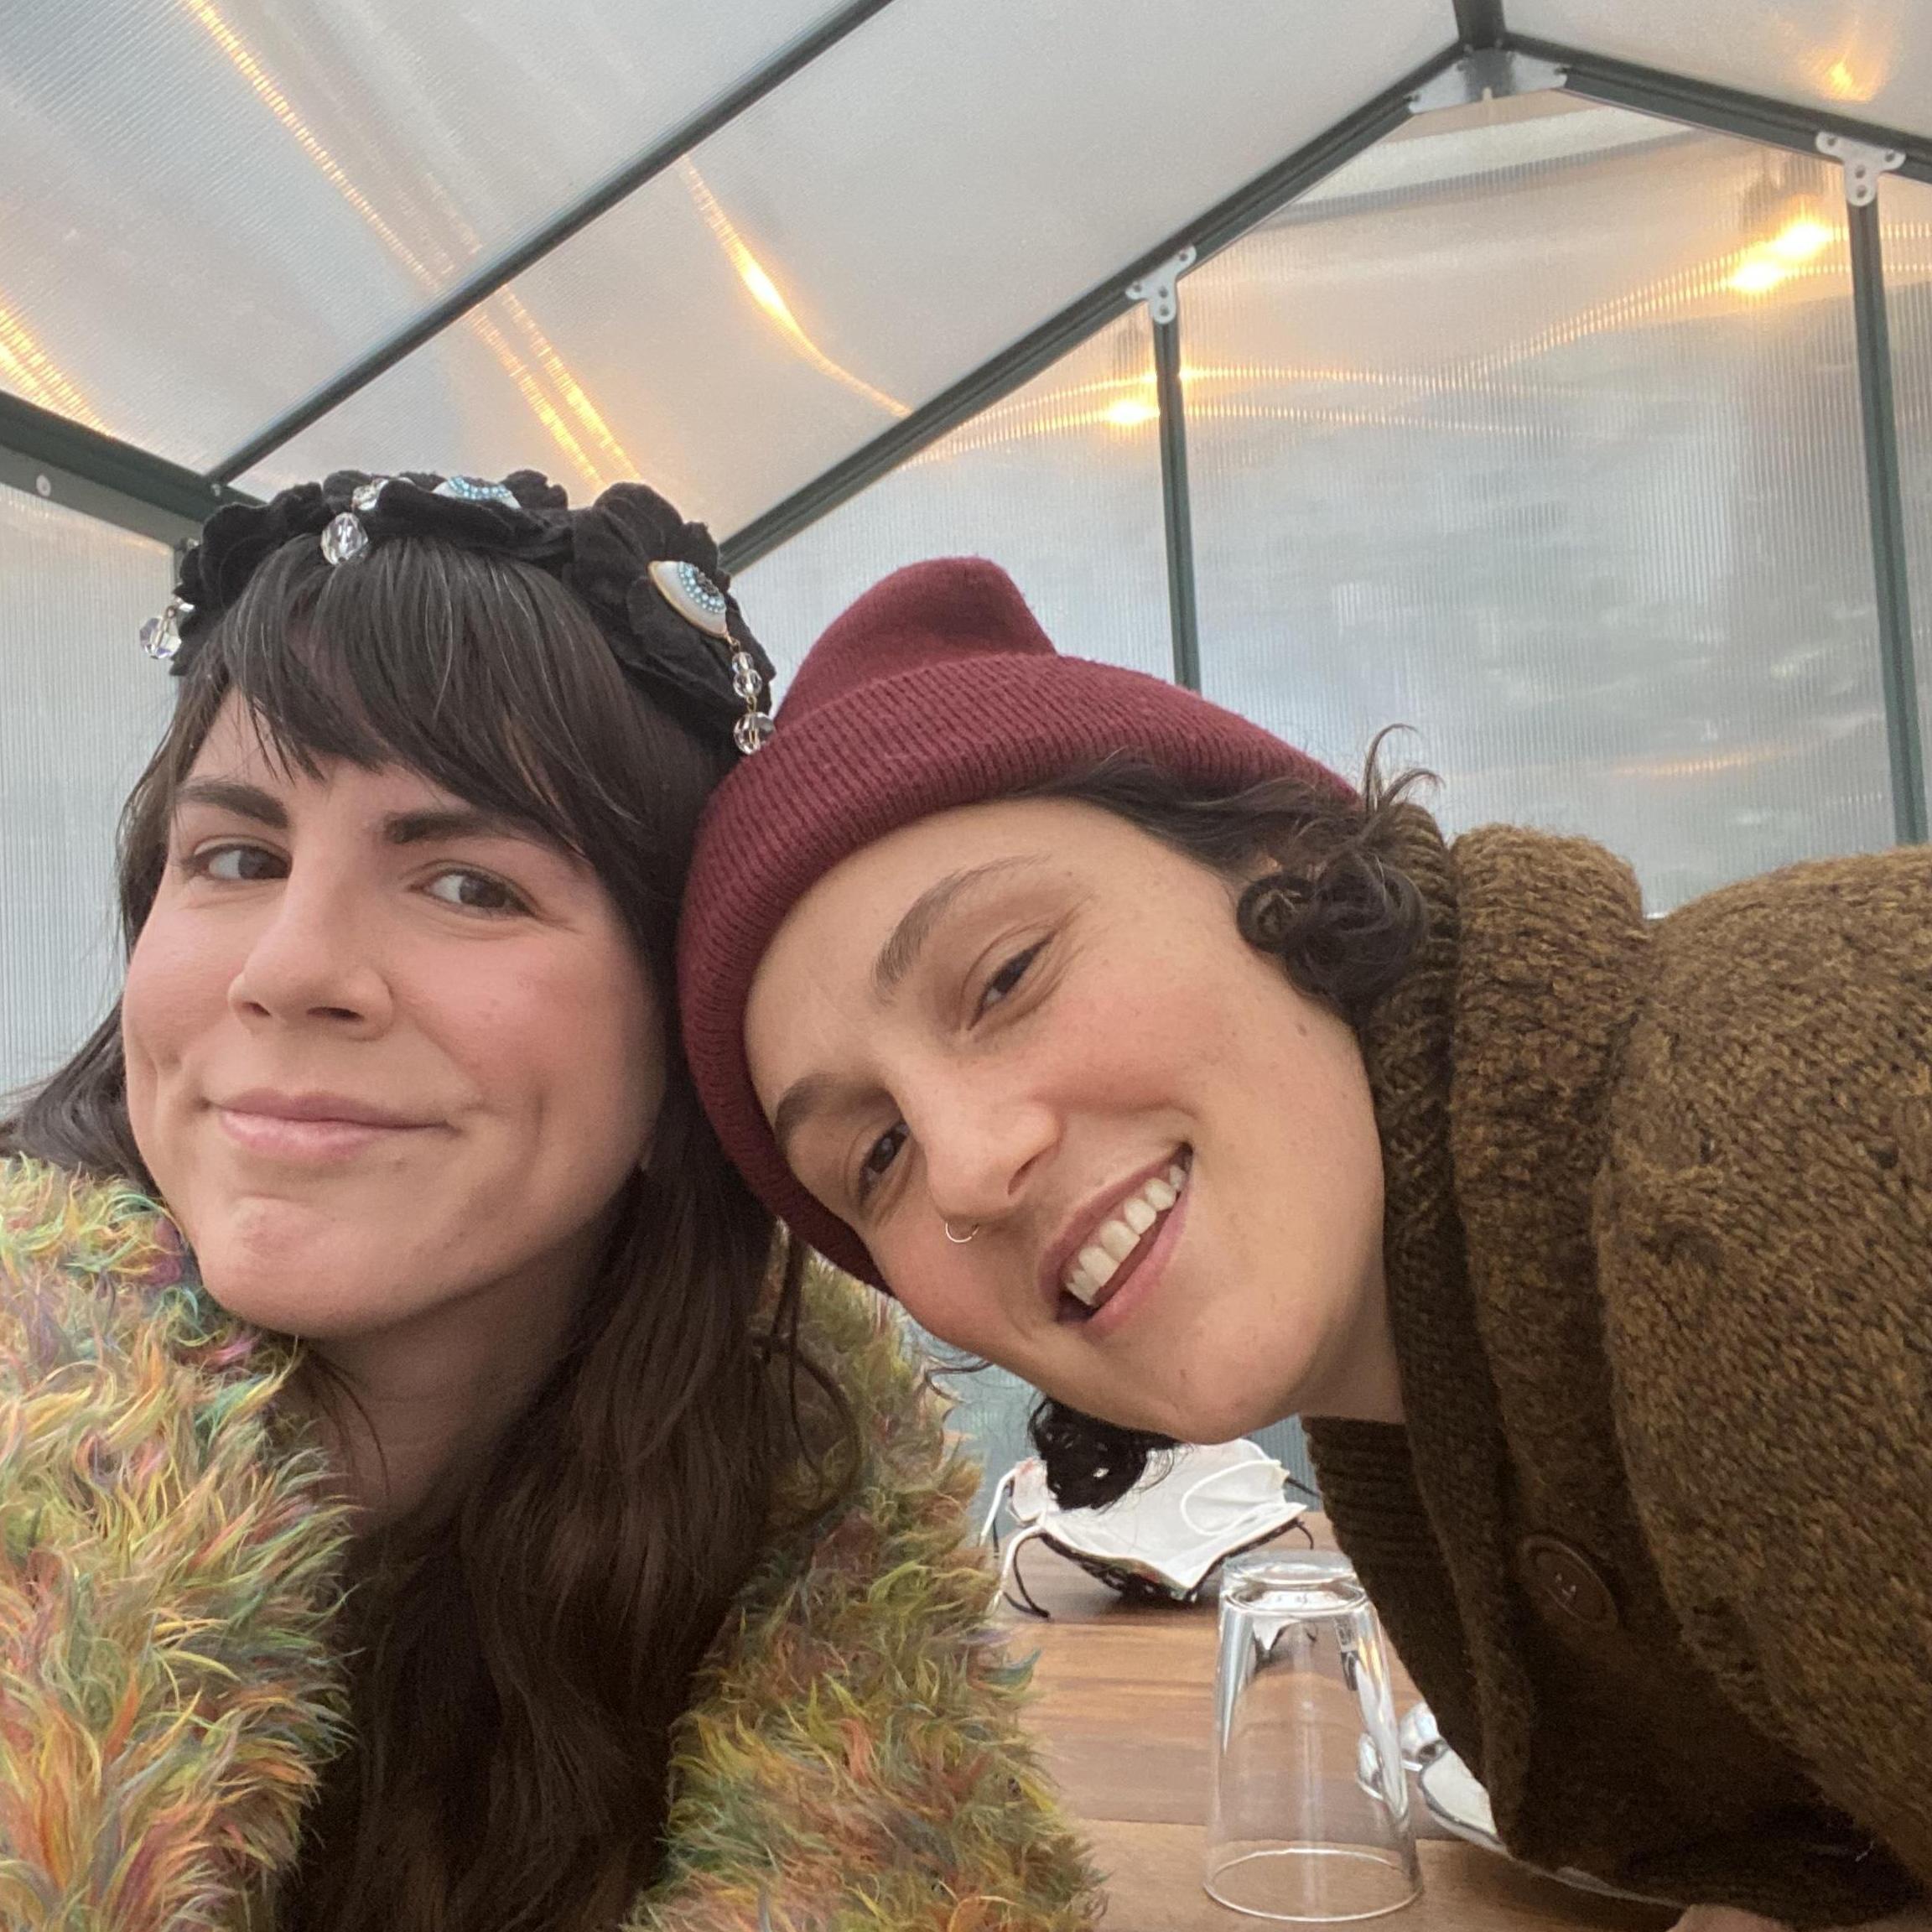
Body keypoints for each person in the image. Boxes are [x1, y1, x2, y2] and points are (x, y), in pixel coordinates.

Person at [677, 556, 1932, 1929]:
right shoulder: (1441, 1401)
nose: (972, 1167)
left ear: (1282, 857)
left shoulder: (1768, 1146)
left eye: (1008, 974)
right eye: (875, 1157)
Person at [0, 487, 1098, 1932]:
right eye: (238, 857)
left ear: (688, 1051)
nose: (288, 966)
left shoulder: (780, 1553)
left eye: (467, 882)